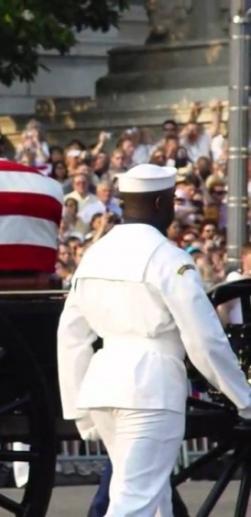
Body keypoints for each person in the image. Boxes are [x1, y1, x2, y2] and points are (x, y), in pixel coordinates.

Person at [57, 163, 251, 517]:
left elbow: (71, 335)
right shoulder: (168, 259)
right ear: (162, 203)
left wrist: (77, 407)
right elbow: (204, 339)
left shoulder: (95, 255)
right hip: (150, 388)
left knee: (151, 499)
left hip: (104, 386)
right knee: (135, 503)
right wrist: (244, 397)